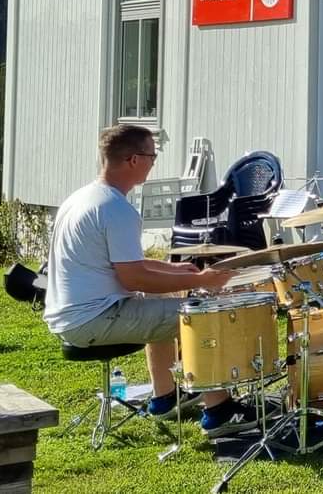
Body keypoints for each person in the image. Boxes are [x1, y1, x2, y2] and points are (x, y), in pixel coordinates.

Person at [45, 125, 249, 434]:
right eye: (151, 155)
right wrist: (202, 281)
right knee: (201, 315)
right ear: (133, 160)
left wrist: (176, 271)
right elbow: (134, 279)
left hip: (74, 314)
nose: (154, 161)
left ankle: (165, 398)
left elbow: (130, 265)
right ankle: (219, 411)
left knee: (161, 301)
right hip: (93, 319)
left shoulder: (83, 198)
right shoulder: (115, 209)